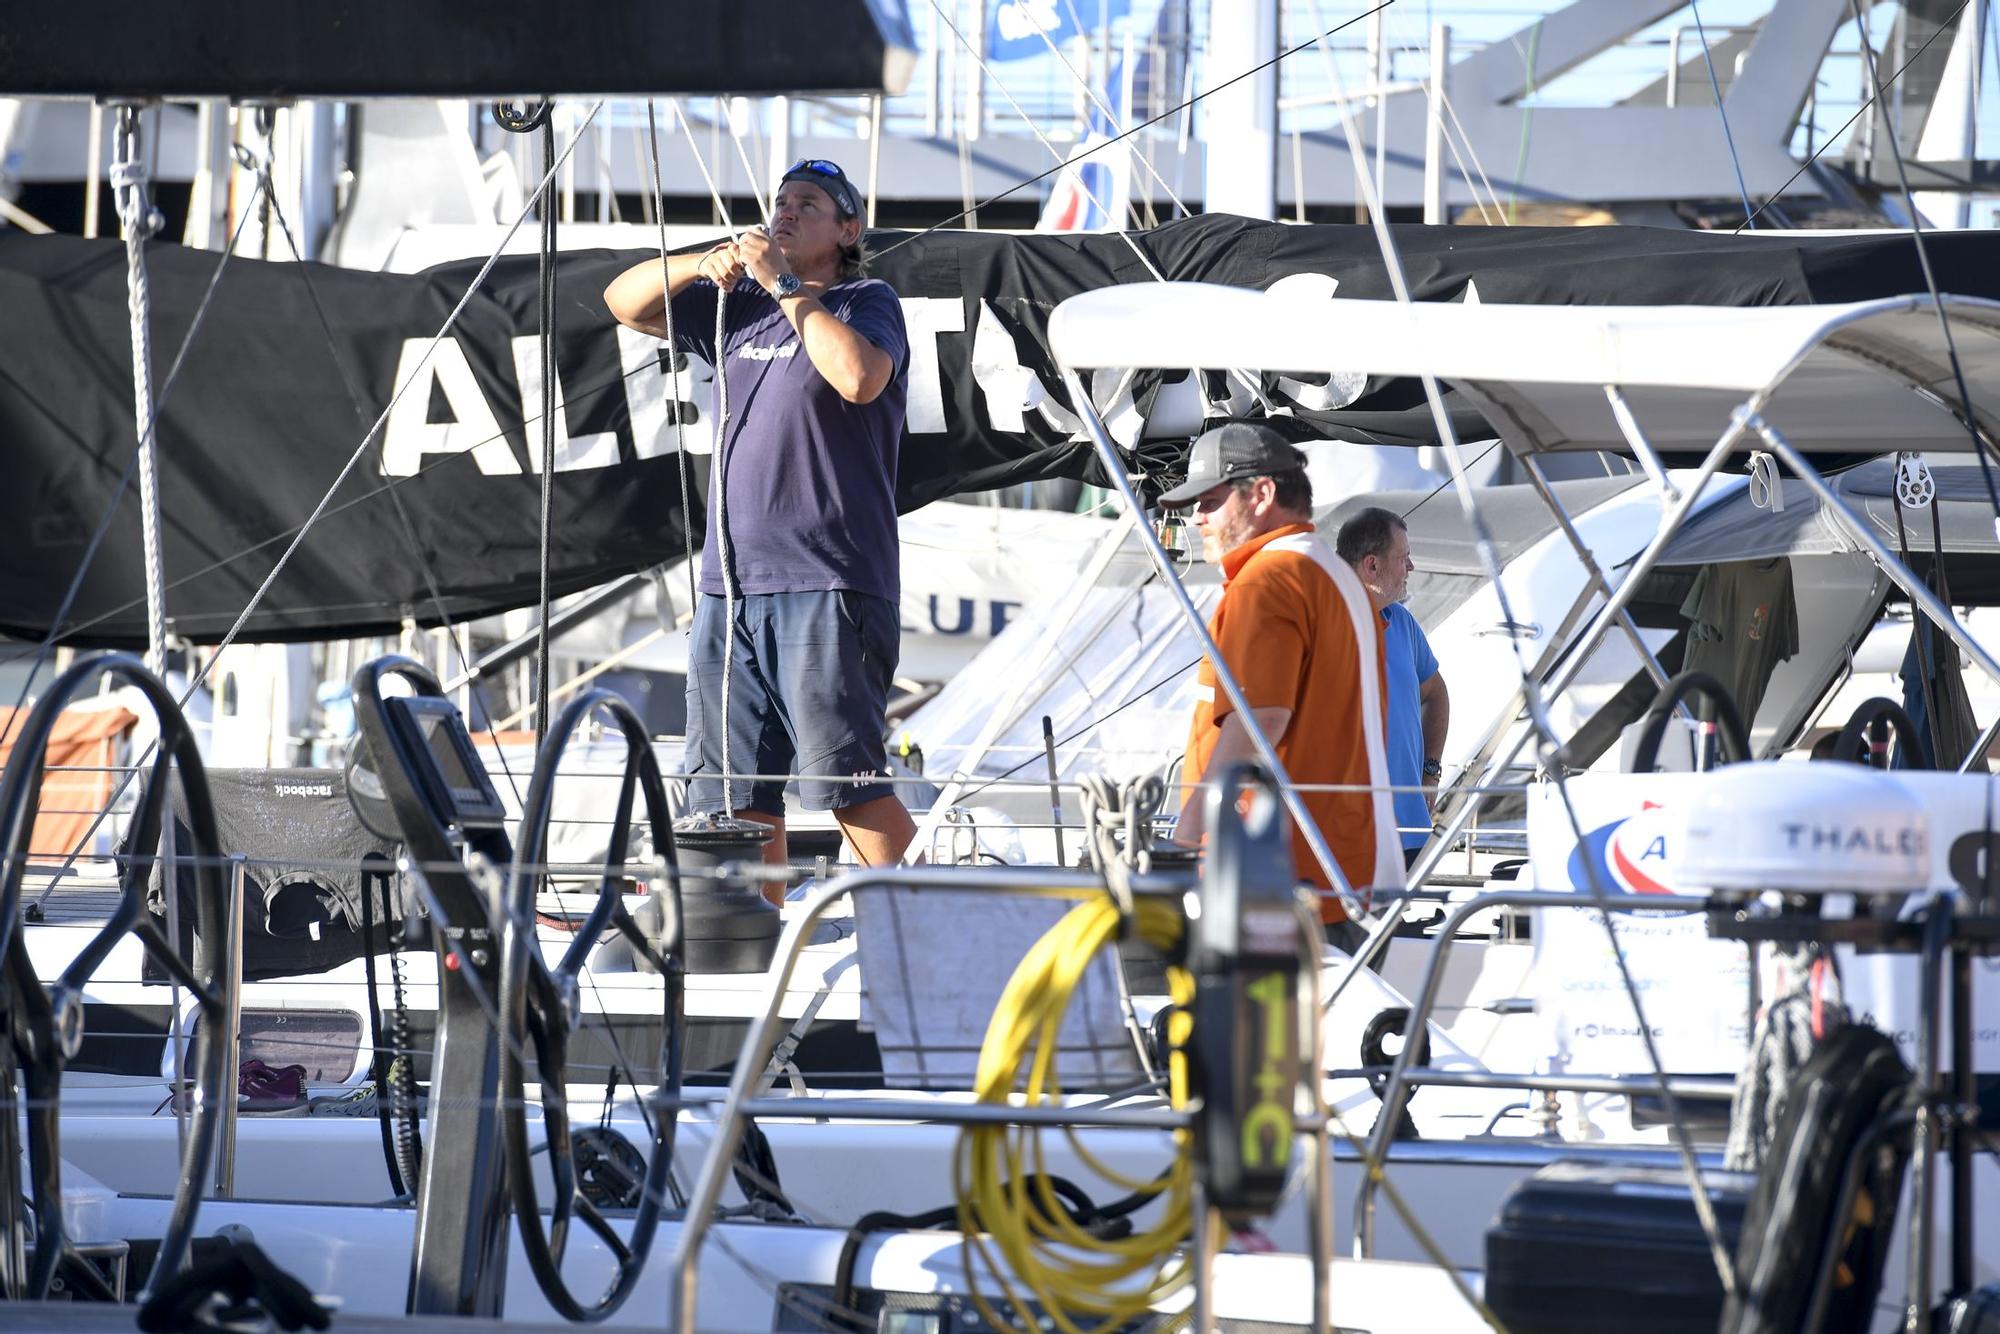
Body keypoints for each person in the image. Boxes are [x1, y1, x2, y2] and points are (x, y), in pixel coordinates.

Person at [604, 158, 915, 889]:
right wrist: (700, 263)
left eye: (809, 204)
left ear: (848, 230)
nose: (787, 211)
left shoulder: (866, 301)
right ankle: (758, 950)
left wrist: (785, 286)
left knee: (849, 785)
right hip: (731, 587)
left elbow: (858, 378)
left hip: (828, 577)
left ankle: (930, 928)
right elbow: (623, 301)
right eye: (781, 201)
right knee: (734, 799)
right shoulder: (736, 308)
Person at [1163, 422, 1399, 950]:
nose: (1195, 517)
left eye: (1208, 500)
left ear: (1262, 493)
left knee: (1257, 1034)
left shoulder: (1265, 582)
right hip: (1353, 874)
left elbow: (1259, 718)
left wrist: (1183, 840)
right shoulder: (1339, 577)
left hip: (1279, 881)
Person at [1336, 507, 1450, 869]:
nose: (1411, 568)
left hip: (1410, 830)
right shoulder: (1323, 623)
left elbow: (1435, 693)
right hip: (1346, 834)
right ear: (1372, 566)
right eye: (1403, 558)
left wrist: (1430, 773)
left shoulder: (1401, 621)